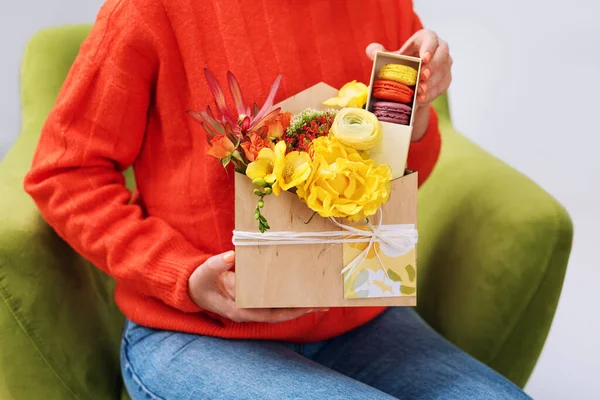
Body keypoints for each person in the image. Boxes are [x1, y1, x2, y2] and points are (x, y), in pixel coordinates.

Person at [23, 0, 530, 398]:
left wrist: (414, 119)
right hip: (194, 335)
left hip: (357, 316)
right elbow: (64, 173)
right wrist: (181, 274)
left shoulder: (384, 4)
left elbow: (395, 177)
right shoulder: (149, 9)